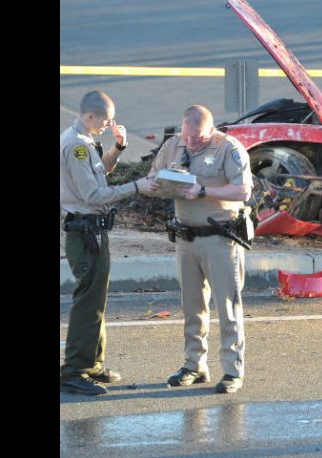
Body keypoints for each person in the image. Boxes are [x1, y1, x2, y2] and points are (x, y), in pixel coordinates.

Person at [146, 105, 253, 394]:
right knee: (192, 307)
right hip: (185, 238)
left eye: (199, 138)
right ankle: (194, 365)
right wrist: (159, 184)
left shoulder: (228, 148)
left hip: (219, 238)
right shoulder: (173, 145)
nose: (191, 143)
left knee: (227, 308)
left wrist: (204, 191)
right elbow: (152, 177)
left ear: (211, 129)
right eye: (188, 136)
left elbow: (243, 190)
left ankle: (232, 370)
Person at [60, 90, 157, 395]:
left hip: (92, 230)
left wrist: (118, 146)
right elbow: (94, 195)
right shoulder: (76, 146)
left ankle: (92, 363)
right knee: (88, 300)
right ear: (90, 116)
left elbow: (101, 173)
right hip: (84, 231)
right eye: (105, 120)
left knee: (96, 299)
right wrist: (137, 187)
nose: (108, 124)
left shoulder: (85, 139)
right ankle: (75, 370)